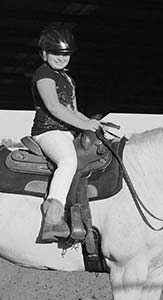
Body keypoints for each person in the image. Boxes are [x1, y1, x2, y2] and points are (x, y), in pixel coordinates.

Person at [32, 24, 101, 243]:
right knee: (68, 161)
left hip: (67, 133)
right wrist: (84, 125)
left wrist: (92, 123)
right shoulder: (43, 74)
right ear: (44, 53)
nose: (61, 58)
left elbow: (72, 111)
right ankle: (52, 217)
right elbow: (54, 107)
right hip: (48, 132)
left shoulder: (69, 79)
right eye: (55, 53)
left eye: (65, 54)